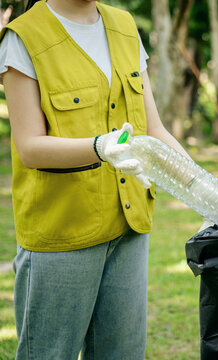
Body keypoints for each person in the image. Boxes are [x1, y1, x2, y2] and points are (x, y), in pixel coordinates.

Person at [0, 0, 194, 358]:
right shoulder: (23, 37)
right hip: (61, 231)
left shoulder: (124, 26)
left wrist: (203, 188)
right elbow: (29, 146)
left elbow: (152, 129)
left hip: (128, 228)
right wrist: (100, 146)